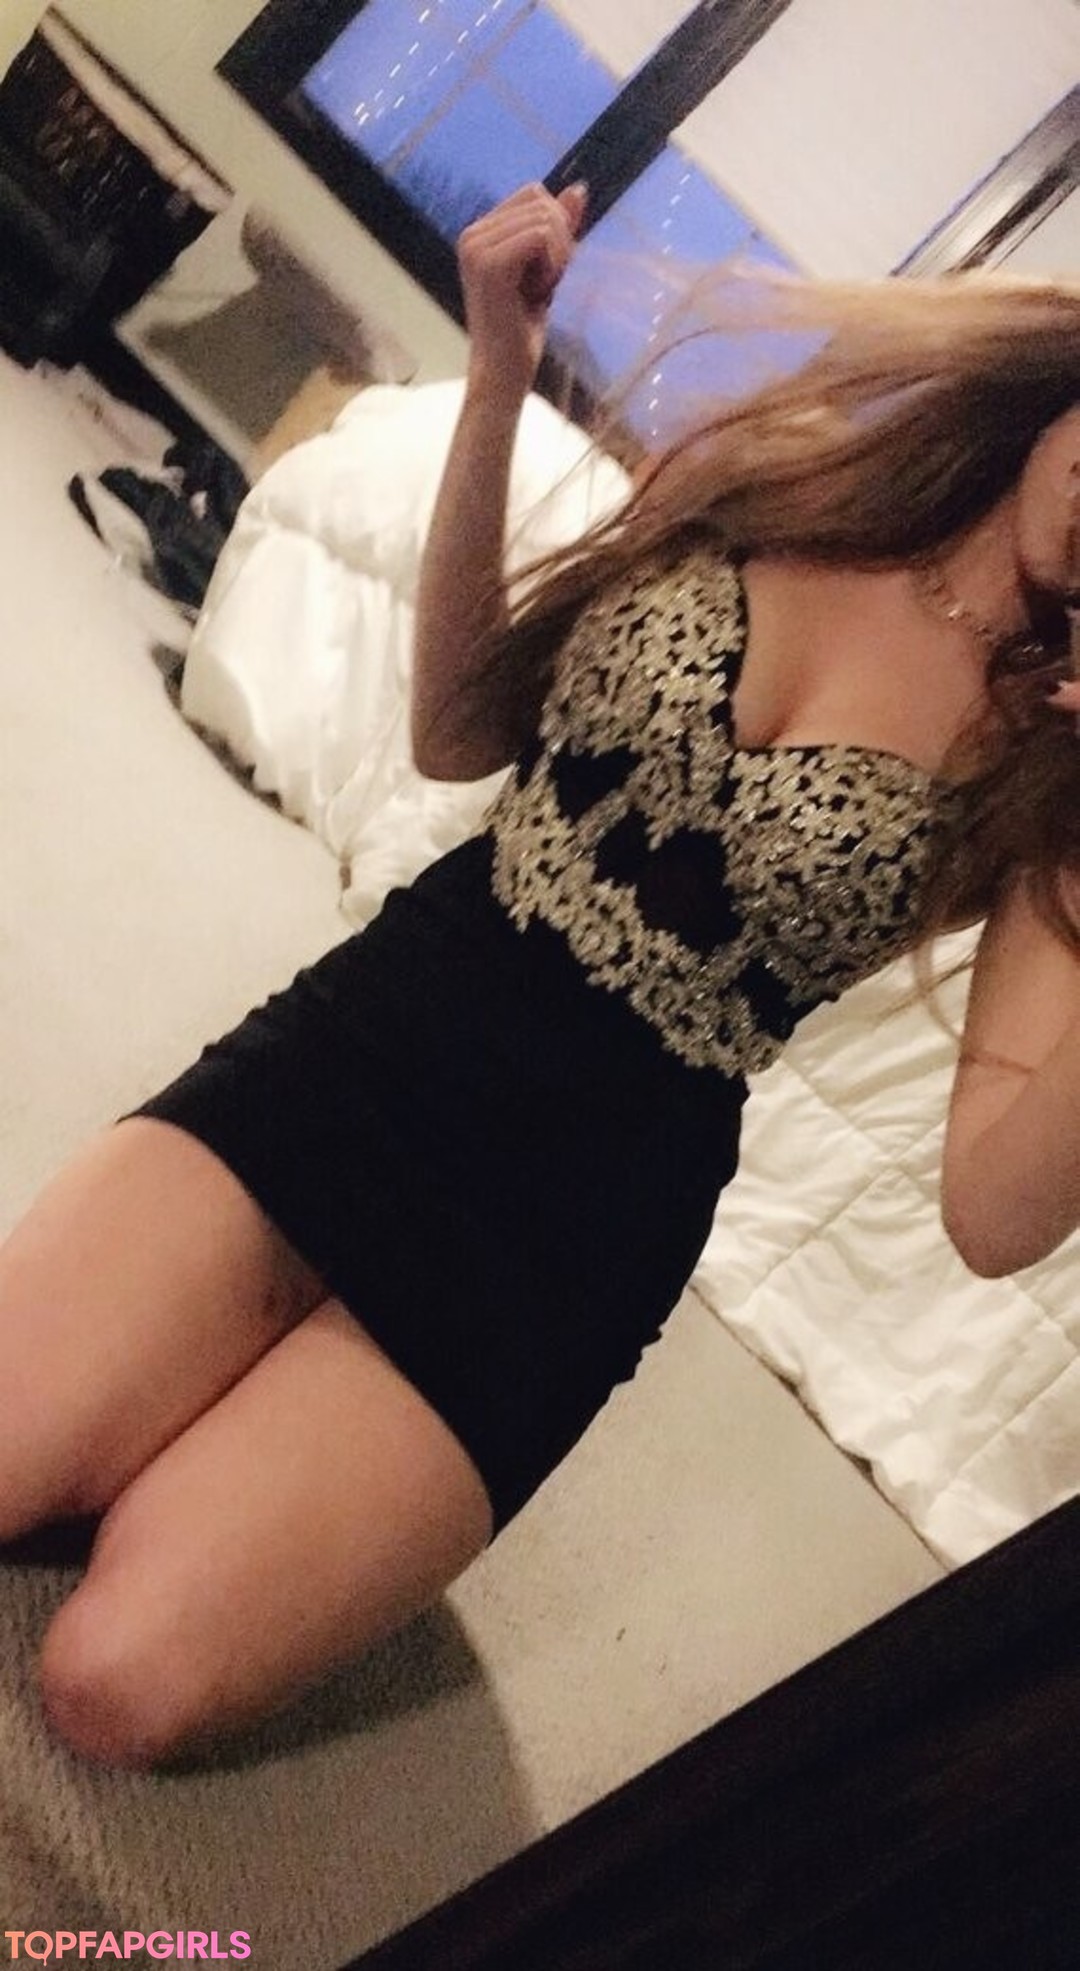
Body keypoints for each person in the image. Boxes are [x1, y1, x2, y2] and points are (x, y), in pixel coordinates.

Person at [1, 182, 1078, 1770]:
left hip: (572, 1224)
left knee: (115, 1681)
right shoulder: (780, 475)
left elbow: (998, 1215)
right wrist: (497, 373)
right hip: (380, 1039)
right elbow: (458, 730)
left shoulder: (1050, 784)